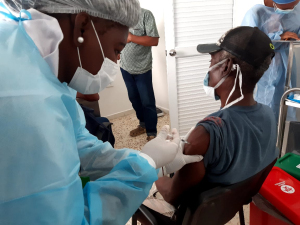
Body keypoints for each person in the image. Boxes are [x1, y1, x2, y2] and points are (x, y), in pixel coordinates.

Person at [0, 1, 202, 224]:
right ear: (82, 27)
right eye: (117, 50)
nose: (116, 61)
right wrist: (144, 165)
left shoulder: (36, 65)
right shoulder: (23, 103)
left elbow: (80, 146)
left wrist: (146, 163)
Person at [146, 27, 279, 223]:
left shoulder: (205, 134)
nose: (208, 68)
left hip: (190, 218)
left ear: (226, 67)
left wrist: (151, 167)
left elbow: (171, 195)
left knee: (140, 185)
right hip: (227, 209)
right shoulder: (269, 115)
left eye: (211, 61)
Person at [241, 0, 300, 122]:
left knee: (287, 107)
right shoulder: (256, 13)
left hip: (287, 64)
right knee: (264, 112)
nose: (293, 7)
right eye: (289, 6)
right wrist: (278, 37)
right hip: (264, 68)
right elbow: (248, 43)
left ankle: (284, 137)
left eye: (295, 4)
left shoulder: (297, 9)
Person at [120, 8, 160, 141]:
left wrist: (131, 37)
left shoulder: (145, 14)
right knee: (134, 99)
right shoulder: (117, 15)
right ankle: (142, 125)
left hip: (142, 68)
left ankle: (151, 132)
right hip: (125, 67)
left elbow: (154, 40)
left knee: (147, 101)